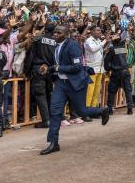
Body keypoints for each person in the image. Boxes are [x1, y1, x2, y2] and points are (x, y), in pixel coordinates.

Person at [41, 25, 110, 155]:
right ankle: (53, 143)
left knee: (81, 111)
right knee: (55, 111)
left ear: (66, 34)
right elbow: (57, 65)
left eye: (58, 32)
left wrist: (57, 68)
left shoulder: (72, 45)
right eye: (54, 32)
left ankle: (101, 111)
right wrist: (48, 68)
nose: (55, 34)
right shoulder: (56, 46)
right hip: (61, 84)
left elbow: (77, 66)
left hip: (76, 83)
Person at [27, 23, 57, 128]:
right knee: (48, 94)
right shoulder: (56, 42)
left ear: (45, 30)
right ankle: (51, 118)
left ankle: (46, 120)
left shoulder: (38, 39)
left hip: (38, 69)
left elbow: (31, 55)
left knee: (40, 95)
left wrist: (27, 71)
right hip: (50, 69)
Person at [103, 33, 134, 115]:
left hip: (116, 72)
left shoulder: (112, 49)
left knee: (112, 91)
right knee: (128, 90)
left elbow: (106, 62)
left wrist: (108, 69)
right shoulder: (124, 48)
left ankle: (110, 109)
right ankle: (130, 109)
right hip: (126, 71)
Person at [84, 26, 105, 109]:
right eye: (98, 30)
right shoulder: (88, 41)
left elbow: (99, 52)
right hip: (91, 69)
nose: (100, 32)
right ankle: (87, 110)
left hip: (99, 69)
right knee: (90, 91)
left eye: (100, 30)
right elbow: (93, 49)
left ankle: (94, 109)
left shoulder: (98, 40)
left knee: (96, 91)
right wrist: (104, 42)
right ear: (92, 32)